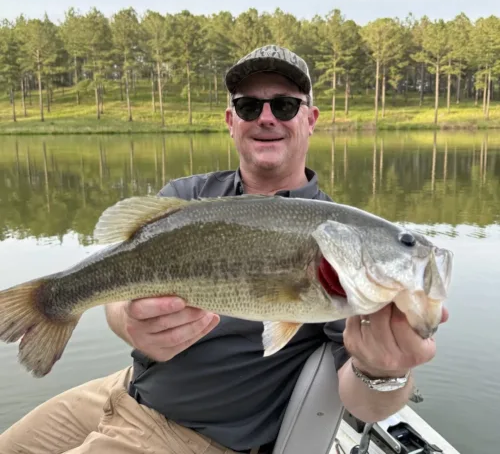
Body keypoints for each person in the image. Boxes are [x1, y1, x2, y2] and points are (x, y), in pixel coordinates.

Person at [0, 45, 448, 454]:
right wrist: (128, 321)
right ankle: (51, 301)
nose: (266, 117)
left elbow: (364, 404)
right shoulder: (187, 196)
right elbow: (122, 283)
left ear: (310, 119)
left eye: (286, 105)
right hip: (126, 389)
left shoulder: (338, 251)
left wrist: (384, 370)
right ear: (231, 121)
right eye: (249, 106)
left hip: (191, 438)